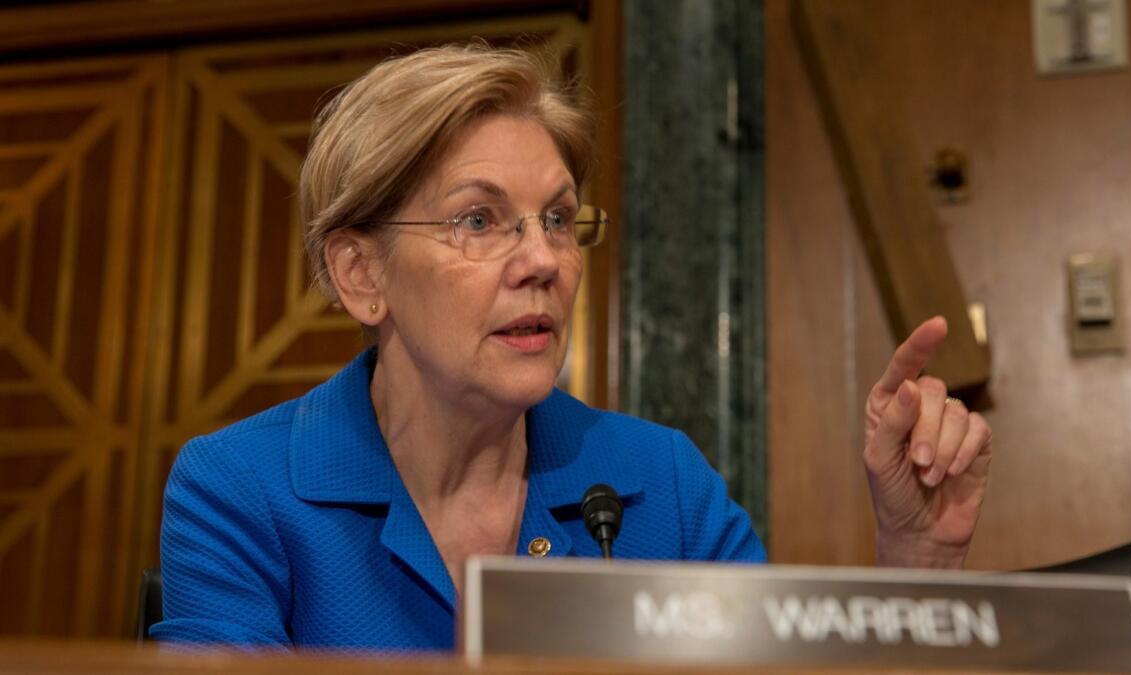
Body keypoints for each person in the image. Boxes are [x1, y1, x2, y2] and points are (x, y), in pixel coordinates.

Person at [150, 44, 992, 651]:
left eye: (557, 218)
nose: (545, 260)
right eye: (479, 220)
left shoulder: (662, 481)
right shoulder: (238, 489)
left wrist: (917, 560)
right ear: (362, 272)